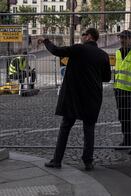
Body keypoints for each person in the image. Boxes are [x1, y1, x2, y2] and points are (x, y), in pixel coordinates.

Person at [38, 28, 111, 171]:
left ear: (89, 37)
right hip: (93, 97)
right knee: (89, 129)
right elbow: (107, 78)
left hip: (74, 95)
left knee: (65, 127)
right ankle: (88, 162)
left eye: (83, 34)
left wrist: (46, 41)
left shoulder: (79, 49)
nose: (81, 36)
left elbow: (57, 51)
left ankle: (57, 160)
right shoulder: (103, 55)